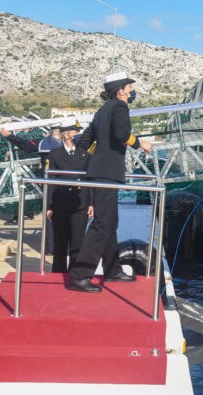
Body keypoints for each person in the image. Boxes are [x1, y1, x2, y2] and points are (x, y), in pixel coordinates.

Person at [67, 72, 151, 293]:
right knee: (102, 224)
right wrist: (140, 143)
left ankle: (113, 271)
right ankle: (79, 276)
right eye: (129, 88)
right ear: (120, 90)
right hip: (107, 172)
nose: (132, 92)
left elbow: (85, 141)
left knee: (109, 222)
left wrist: (95, 156)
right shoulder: (120, 107)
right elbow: (122, 133)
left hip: (100, 171)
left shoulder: (102, 110)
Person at [45, 120, 92, 273]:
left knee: (78, 242)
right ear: (66, 134)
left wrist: (91, 203)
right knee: (60, 242)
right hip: (61, 203)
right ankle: (58, 274)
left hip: (80, 202)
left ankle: (75, 274)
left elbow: (89, 180)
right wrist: (49, 206)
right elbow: (51, 182)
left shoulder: (85, 154)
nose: (78, 134)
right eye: (75, 131)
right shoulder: (55, 154)